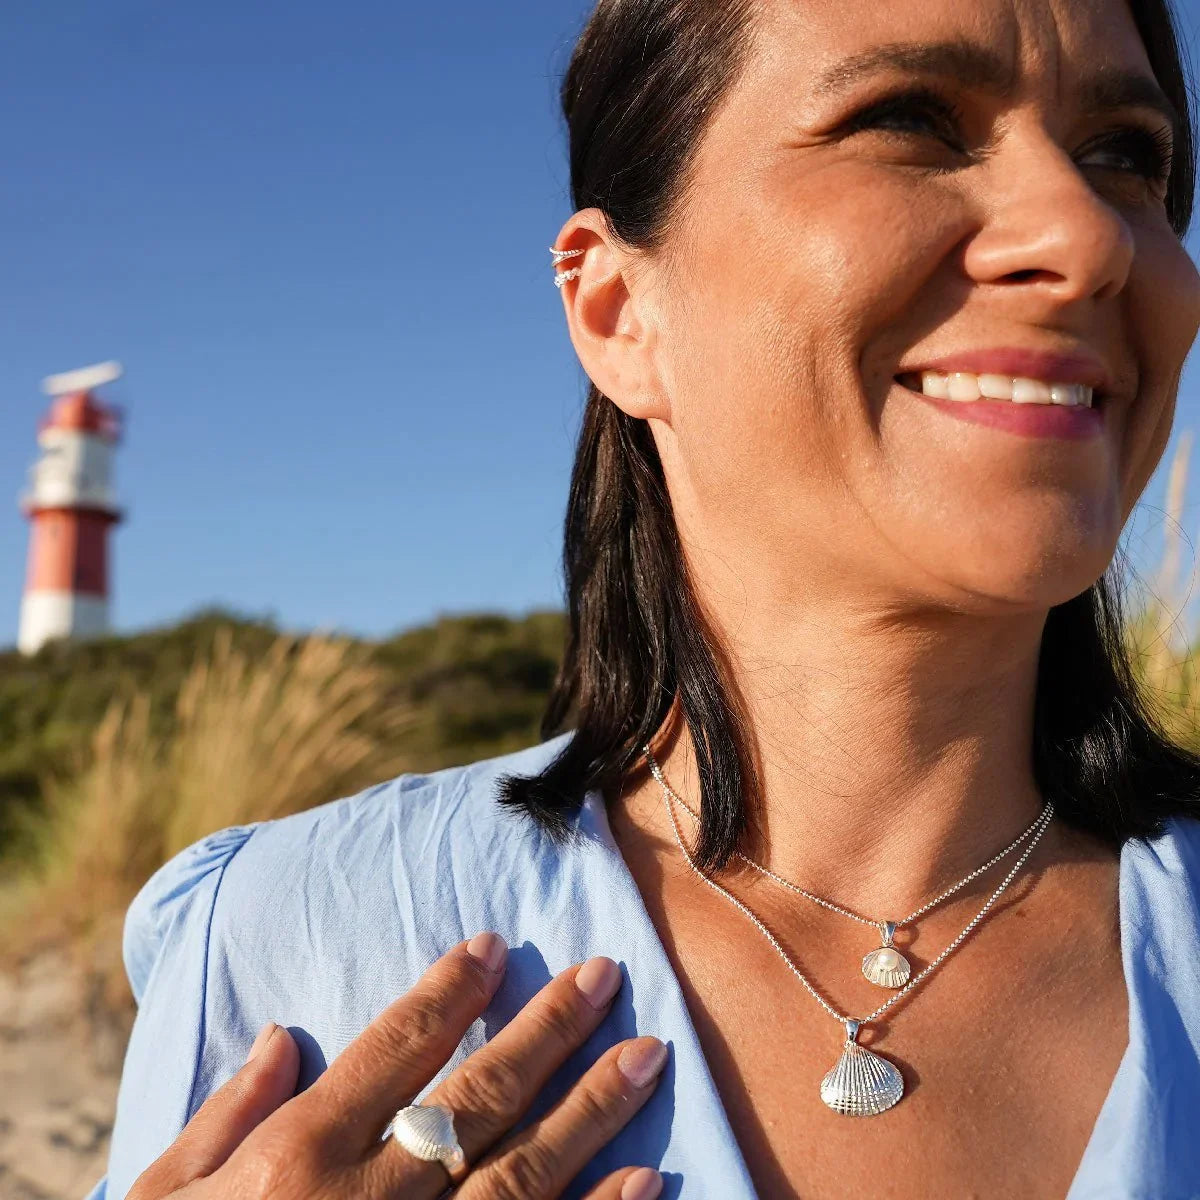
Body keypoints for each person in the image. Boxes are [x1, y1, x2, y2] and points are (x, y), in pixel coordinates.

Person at [87, 0, 1200, 1196]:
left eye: (1125, 154)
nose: (1085, 236)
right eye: (911, 121)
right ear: (619, 314)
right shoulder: (304, 933)